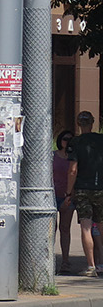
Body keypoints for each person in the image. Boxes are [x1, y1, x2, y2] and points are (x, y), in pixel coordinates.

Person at [67, 111, 103, 277]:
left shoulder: (76, 142)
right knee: (101, 225)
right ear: (93, 122)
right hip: (100, 187)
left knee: (86, 227)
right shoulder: (101, 140)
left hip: (82, 188)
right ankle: (101, 263)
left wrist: (68, 193)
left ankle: (91, 266)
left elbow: (73, 170)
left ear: (78, 123)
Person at [55, 129, 76, 273]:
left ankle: (66, 260)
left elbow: (75, 177)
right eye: (64, 139)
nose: (67, 141)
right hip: (51, 196)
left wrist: (69, 197)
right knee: (50, 229)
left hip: (67, 197)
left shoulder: (74, 158)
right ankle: (47, 259)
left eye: (70, 139)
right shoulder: (52, 156)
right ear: (60, 141)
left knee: (65, 228)